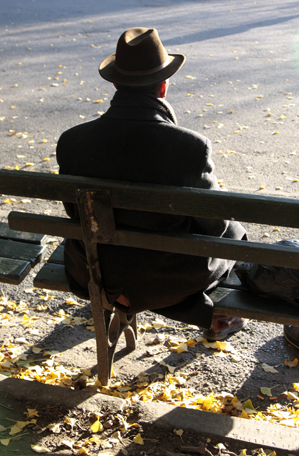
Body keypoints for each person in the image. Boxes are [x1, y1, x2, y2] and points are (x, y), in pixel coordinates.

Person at [56, 27, 247, 340]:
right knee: (235, 234)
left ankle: (139, 299)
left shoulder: (72, 141)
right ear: (163, 86)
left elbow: (75, 211)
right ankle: (213, 315)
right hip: (165, 281)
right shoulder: (190, 147)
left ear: (116, 83)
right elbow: (214, 227)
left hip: (92, 270)